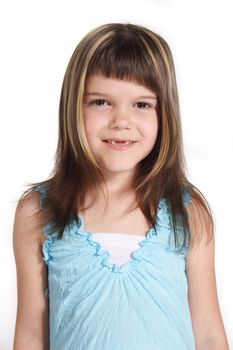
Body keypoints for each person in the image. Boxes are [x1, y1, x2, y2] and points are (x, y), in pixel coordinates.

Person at [12, 23, 229, 350]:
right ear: (74, 106)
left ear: (164, 113)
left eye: (141, 105)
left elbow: (211, 335)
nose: (121, 121)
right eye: (101, 102)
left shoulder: (188, 210)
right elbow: (30, 335)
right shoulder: (39, 212)